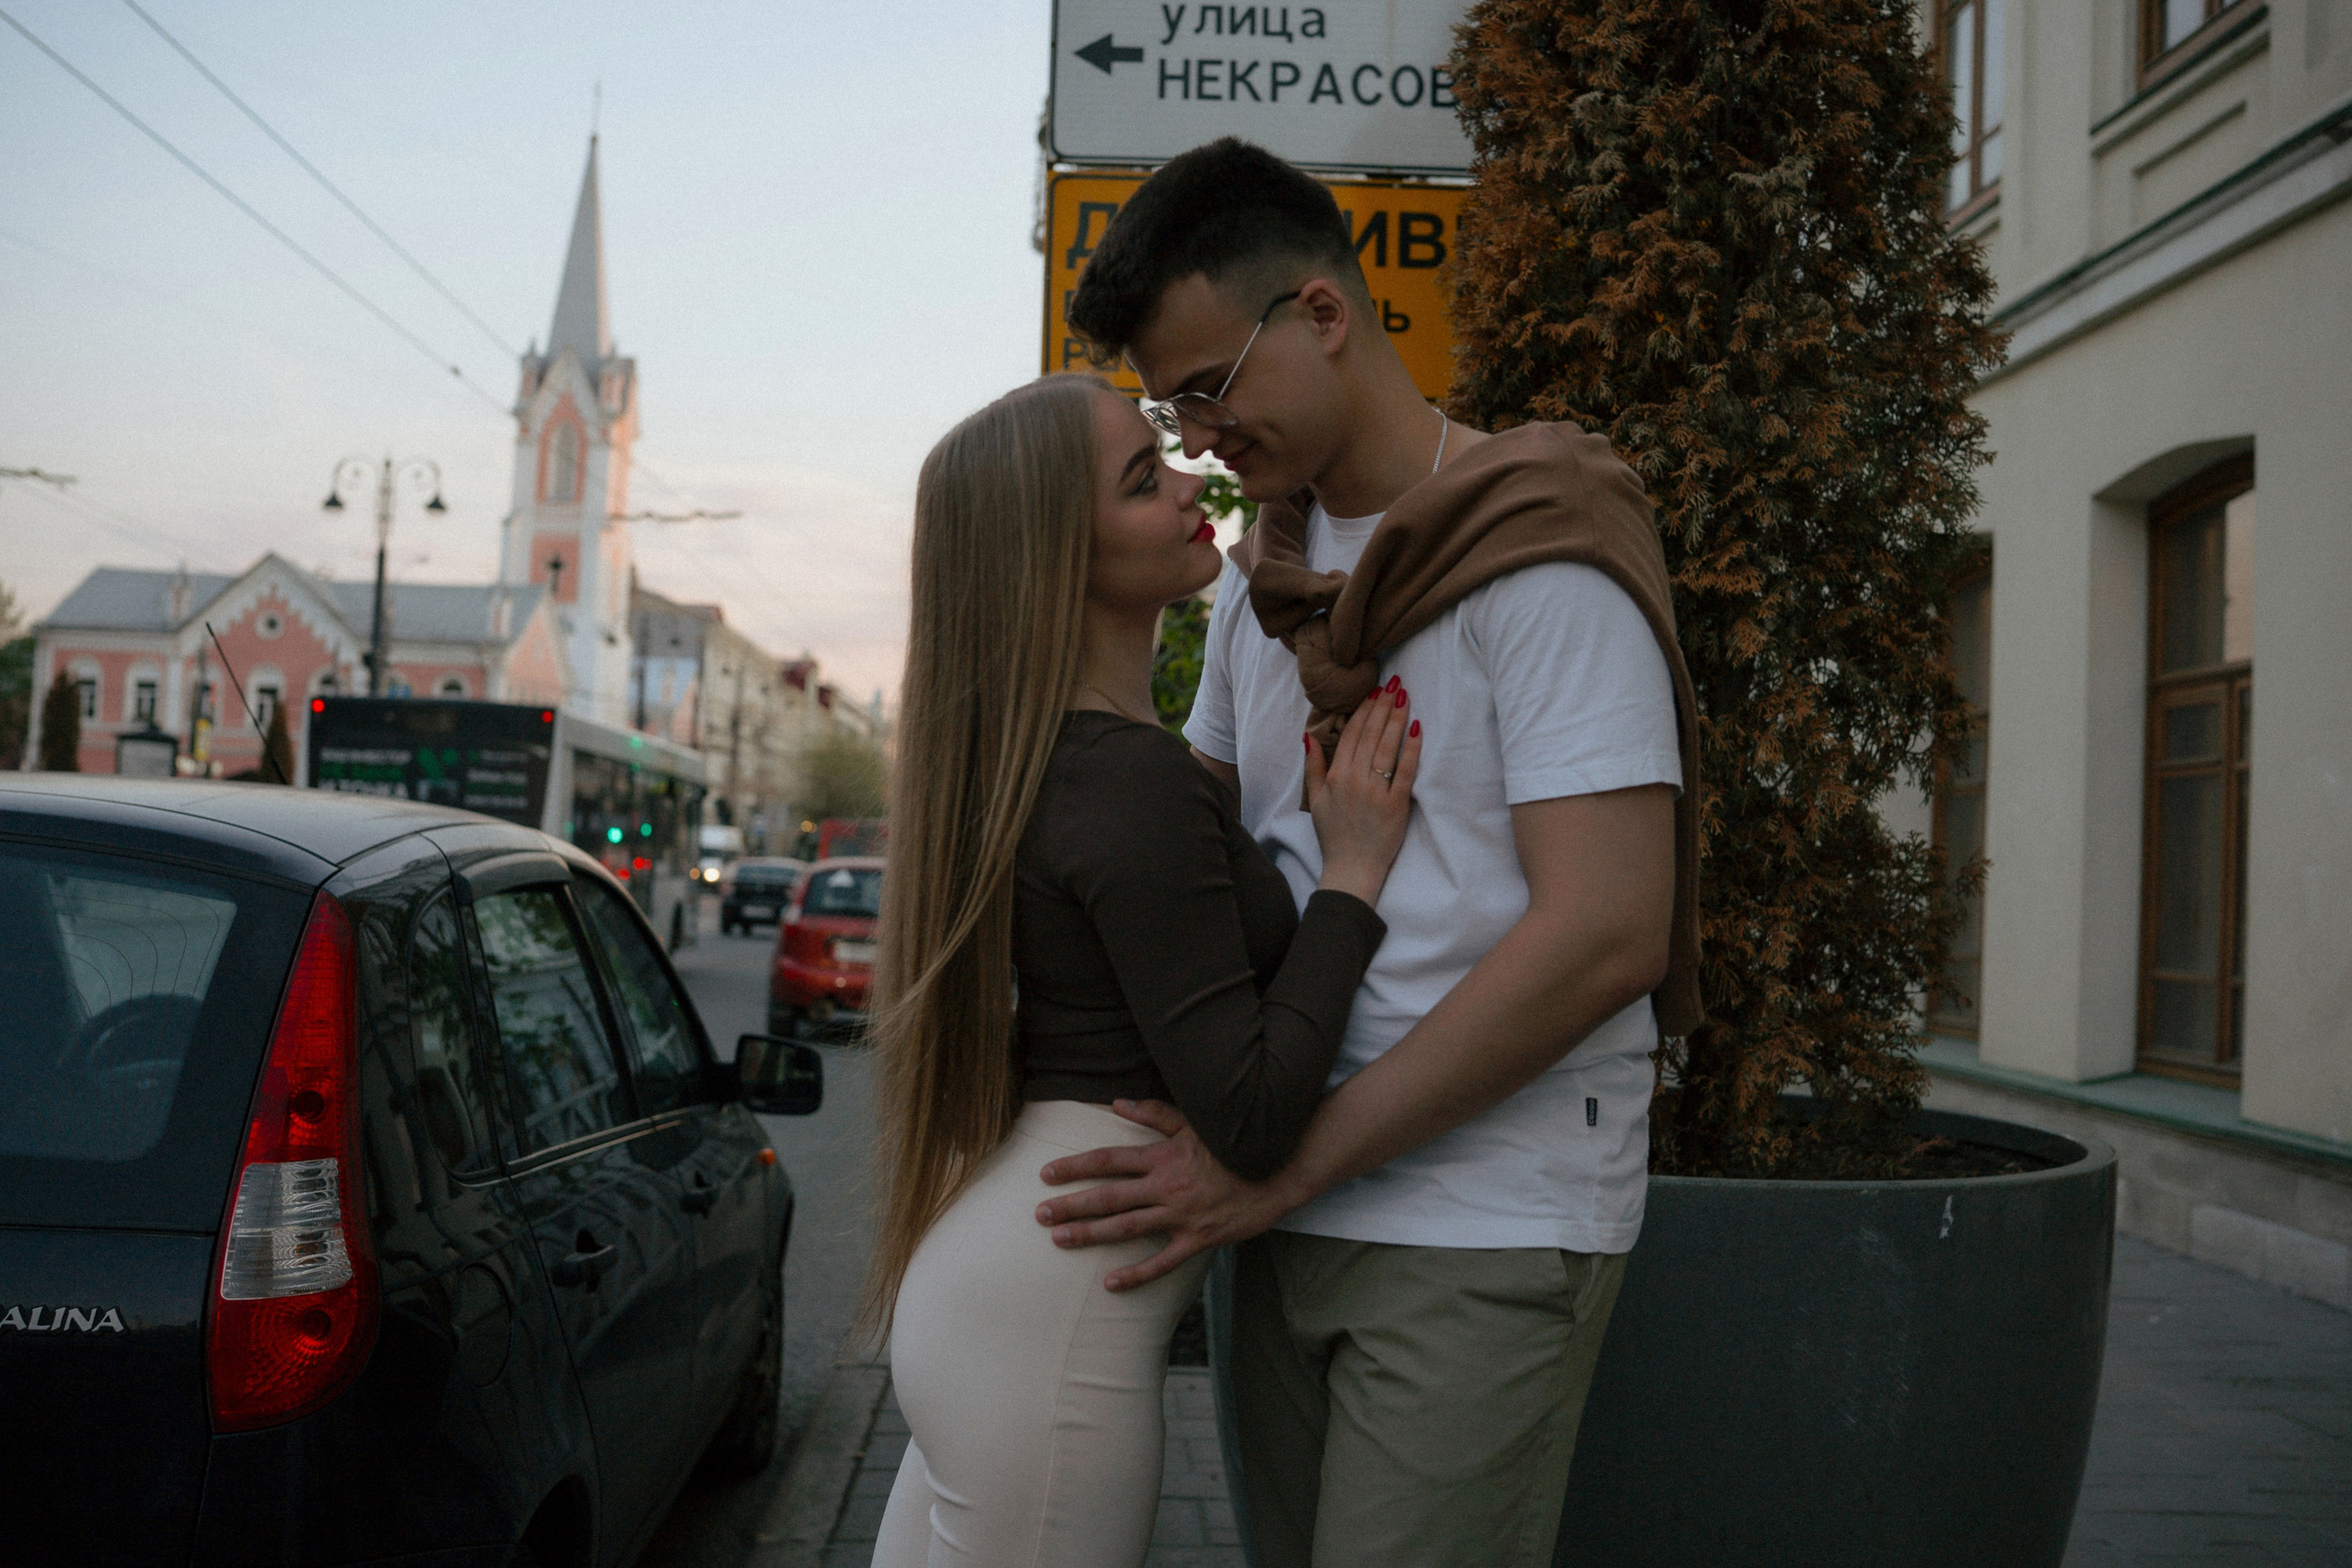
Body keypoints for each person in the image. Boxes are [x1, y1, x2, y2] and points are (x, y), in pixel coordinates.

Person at [1033, 138, 1704, 1566]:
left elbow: (1606, 934)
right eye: (1171, 411)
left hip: (1482, 1215)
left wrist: (1277, 1170)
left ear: (1325, 314)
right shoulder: (1257, 589)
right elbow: (1190, 869)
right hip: (1272, 1197)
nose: (1200, 442)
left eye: (1210, 391)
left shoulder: (1542, 554)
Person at [864, 373, 1424, 1567]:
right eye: (1142, 480)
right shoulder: (1127, 780)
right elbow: (1257, 1114)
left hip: (997, 1305)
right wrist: (1352, 878)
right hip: (1046, 1336)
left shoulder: (1050, 767)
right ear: (1055, 559)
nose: (1192, 485)